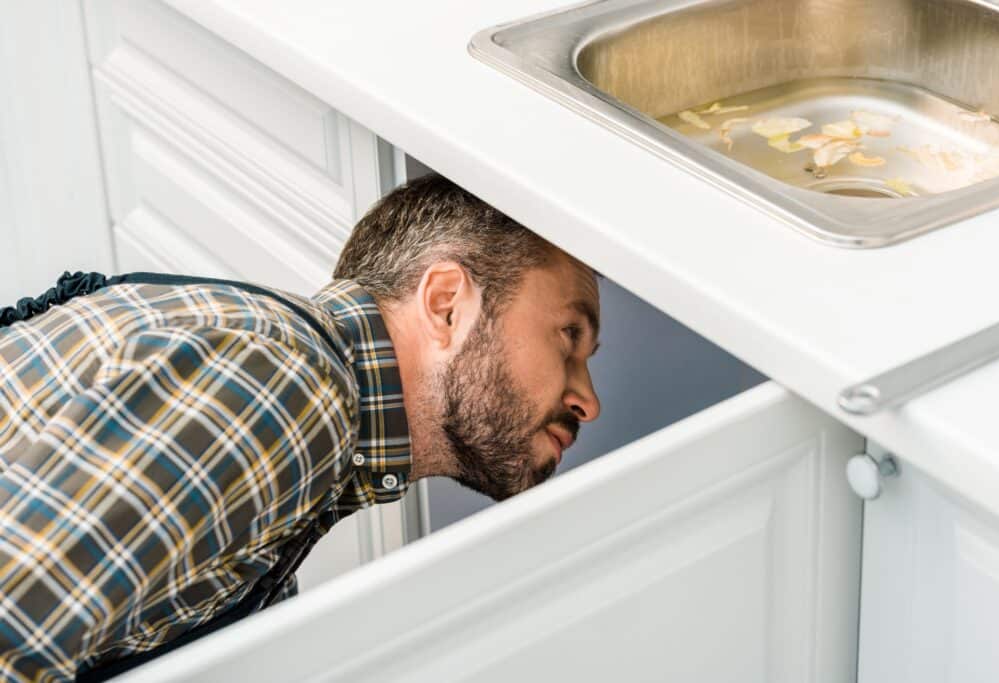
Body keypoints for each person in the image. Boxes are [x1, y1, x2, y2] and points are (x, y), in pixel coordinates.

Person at [0, 174, 601, 681]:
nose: (589, 400)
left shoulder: (285, 380)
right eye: (570, 338)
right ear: (447, 304)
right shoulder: (283, 388)